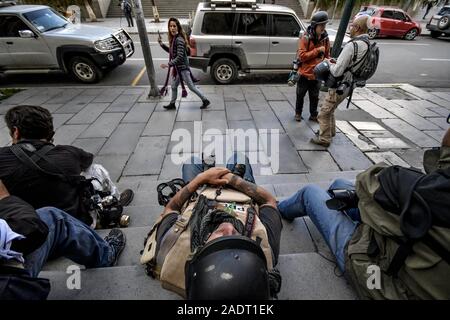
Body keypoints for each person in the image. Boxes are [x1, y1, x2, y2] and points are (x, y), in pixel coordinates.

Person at [278, 128, 450, 299]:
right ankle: (334, 209)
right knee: (340, 184)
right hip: (413, 257)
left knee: (310, 192)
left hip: (385, 284)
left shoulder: (432, 193)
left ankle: (275, 208)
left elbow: (367, 180)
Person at [141, 152, 283, 299]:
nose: (229, 228)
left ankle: (204, 168)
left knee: (191, 162)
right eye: (239, 240)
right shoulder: (266, 252)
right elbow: (270, 201)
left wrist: (200, 179)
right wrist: (233, 180)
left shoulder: (170, 248)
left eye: (218, 241)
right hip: (241, 192)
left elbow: (170, 209)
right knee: (239, 158)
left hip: (198, 193)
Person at [0, 105, 134, 226]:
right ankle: (112, 201)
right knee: (94, 169)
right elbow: (88, 161)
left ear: (16, 132)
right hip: (76, 224)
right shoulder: (69, 152)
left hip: (23, 229)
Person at [0, 179, 126, 299]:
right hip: (10, 286)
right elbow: (33, 226)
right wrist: (4, 198)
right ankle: (106, 255)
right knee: (54, 218)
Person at [310, 15, 371, 148]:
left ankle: (324, 138)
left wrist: (328, 63)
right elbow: (352, 63)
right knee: (331, 108)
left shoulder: (352, 45)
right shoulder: (367, 44)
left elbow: (337, 71)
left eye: (352, 25)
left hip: (339, 84)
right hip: (350, 84)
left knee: (323, 113)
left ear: (358, 28)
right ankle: (330, 132)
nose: (351, 28)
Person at [158, 17, 210, 110]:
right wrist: (161, 44)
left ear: (178, 27)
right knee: (174, 86)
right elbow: (171, 52)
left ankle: (205, 100)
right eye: (170, 26)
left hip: (183, 69)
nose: (172, 28)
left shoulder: (179, 40)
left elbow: (180, 56)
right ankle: (172, 103)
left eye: (174, 26)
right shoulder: (174, 39)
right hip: (178, 69)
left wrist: (169, 64)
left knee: (191, 87)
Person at [295, 11, 330, 122]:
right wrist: (317, 51)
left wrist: (328, 61)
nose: (323, 28)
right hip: (304, 73)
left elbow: (327, 55)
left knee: (314, 97)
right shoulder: (306, 37)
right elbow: (301, 56)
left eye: (325, 25)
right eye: (321, 25)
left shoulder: (325, 38)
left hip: (317, 75)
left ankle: (313, 115)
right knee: (300, 95)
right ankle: (298, 113)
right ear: (315, 25)